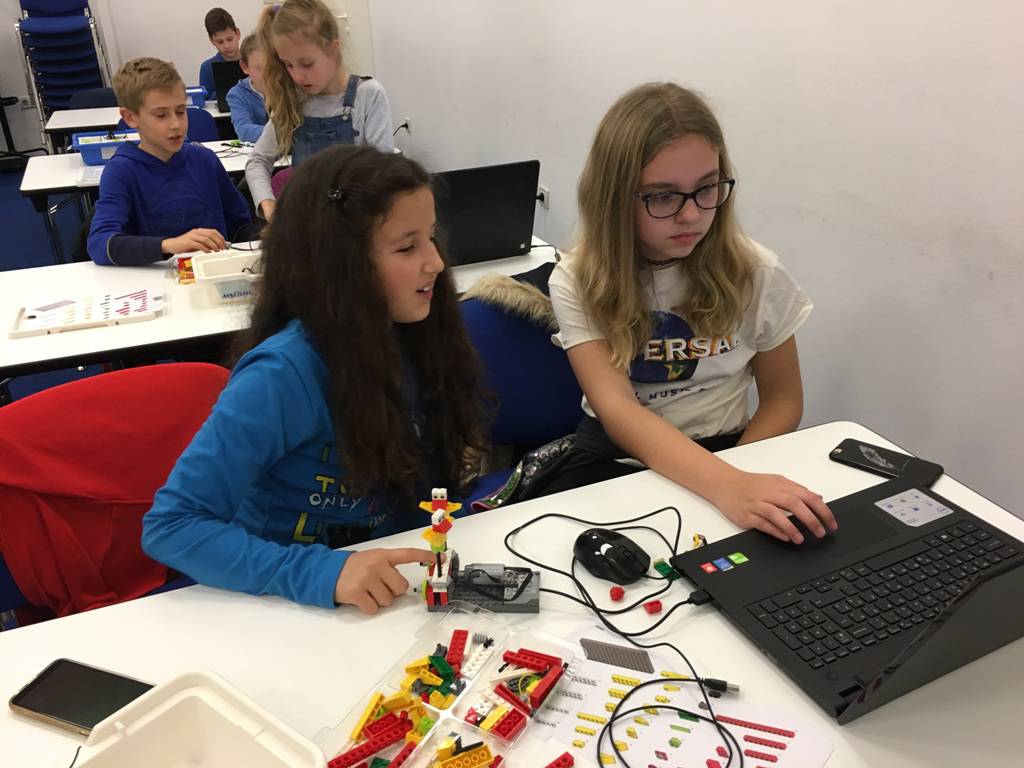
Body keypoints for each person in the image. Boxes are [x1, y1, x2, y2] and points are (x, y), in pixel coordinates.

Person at [143, 145, 489, 614]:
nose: (436, 262)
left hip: (382, 588)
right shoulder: (282, 375)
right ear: (341, 265)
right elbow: (172, 526)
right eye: (408, 247)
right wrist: (322, 573)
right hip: (284, 601)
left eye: (431, 237)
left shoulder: (417, 339)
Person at [546, 82, 837, 544]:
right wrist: (728, 485)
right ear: (614, 196)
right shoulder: (578, 279)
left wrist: (738, 476)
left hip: (733, 450)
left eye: (706, 188)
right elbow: (618, 410)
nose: (691, 215)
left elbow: (783, 400)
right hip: (620, 456)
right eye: (662, 196)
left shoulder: (756, 271)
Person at [87, 57, 255, 266]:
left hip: (213, 271)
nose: (176, 124)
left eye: (181, 111)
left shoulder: (205, 160)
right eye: (161, 115)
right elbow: (100, 243)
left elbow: (240, 225)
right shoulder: (121, 171)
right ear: (130, 118)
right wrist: (169, 245)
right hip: (156, 280)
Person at [244, 0, 394, 222]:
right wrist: (269, 206)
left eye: (307, 63)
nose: (298, 76)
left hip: (356, 224)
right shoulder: (293, 101)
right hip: (307, 225)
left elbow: (385, 173)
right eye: (288, 65)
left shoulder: (367, 95)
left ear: (333, 48)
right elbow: (257, 161)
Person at [226, 34, 268, 142]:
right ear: (245, 67)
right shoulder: (237, 94)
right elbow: (244, 131)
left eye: (272, 67)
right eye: (259, 68)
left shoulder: (289, 88)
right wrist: (280, 133)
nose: (267, 74)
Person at [199, 7, 241, 101]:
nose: (226, 46)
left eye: (230, 39)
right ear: (211, 40)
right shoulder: (207, 68)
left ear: (238, 33)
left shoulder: (253, 61)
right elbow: (205, 103)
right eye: (220, 42)